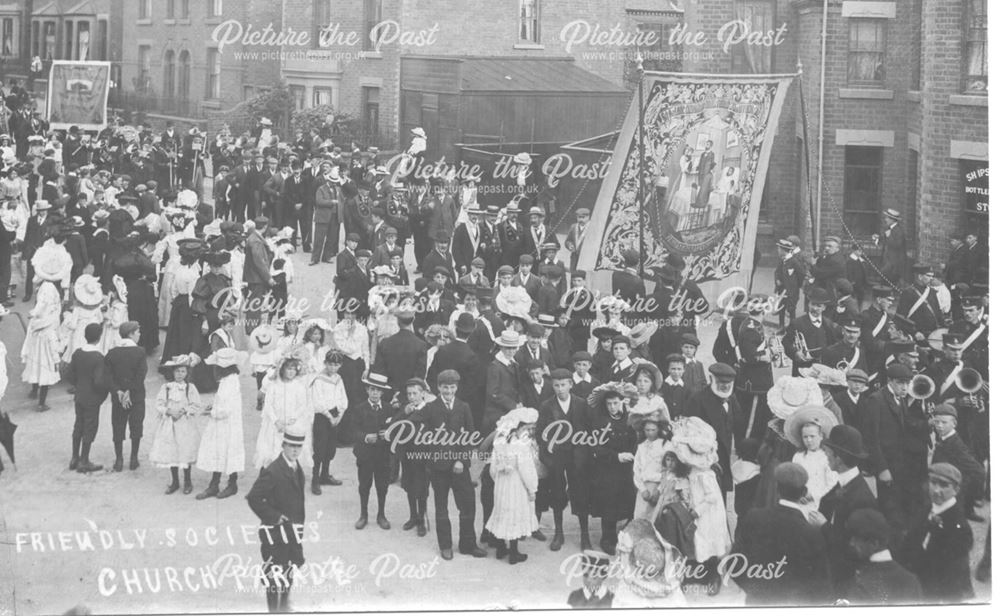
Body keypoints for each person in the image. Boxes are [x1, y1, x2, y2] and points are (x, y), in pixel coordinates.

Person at [730, 462, 833, 605]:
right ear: (804, 492)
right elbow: (821, 587)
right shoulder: (812, 533)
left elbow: (734, 563)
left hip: (758, 603)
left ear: (777, 489)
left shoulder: (754, 517)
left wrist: (756, 591)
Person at [409, 369, 485, 560]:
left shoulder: (464, 407)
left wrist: (462, 459)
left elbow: (471, 436)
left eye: (452, 387)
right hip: (438, 467)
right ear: (438, 388)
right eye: (445, 387)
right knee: (441, 507)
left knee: (467, 505)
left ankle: (468, 544)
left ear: (456, 388)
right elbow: (412, 425)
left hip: (460, 466)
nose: (448, 391)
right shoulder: (431, 407)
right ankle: (445, 546)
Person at [246, 426, 308, 614]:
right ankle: (274, 610)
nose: (295, 450)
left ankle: (284, 605)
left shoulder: (297, 468)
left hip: (292, 531)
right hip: (274, 534)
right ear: (283, 445)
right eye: (291, 446)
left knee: (289, 569)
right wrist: (274, 517)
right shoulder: (273, 470)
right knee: (273, 576)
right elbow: (253, 497)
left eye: (299, 446)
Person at [899, 463, 974, 603]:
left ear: (956, 489)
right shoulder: (928, 507)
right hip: (918, 578)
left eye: (944, 485)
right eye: (933, 483)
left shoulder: (959, 526)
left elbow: (953, 572)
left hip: (937, 590)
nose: (936, 490)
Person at [536, 368, 592, 551]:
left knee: (581, 494)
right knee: (557, 493)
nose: (560, 389)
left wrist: (585, 455)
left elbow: (589, 431)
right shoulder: (546, 406)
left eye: (563, 385)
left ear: (571, 384)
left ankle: (585, 536)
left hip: (578, 457)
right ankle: (558, 533)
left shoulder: (581, 404)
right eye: (556, 385)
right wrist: (547, 458)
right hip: (556, 457)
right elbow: (541, 435)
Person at [819, 424, 878, 595]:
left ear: (839, 457)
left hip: (847, 580)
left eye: (828, 453)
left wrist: (823, 525)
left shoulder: (861, 496)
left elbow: (854, 548)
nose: (826, 456)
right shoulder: (844, 483)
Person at [588, 382, 638, 555]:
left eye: (615, 403)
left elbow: (634, 440)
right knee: (608, 503)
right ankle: (607, 538)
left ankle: (625, 536)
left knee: (627, 501)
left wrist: (631, 454)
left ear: (622, 402)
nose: (612, 407)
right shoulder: (600, 421)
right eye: (609, 404)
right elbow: (596, 447)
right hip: (607, 468)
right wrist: (616, 456)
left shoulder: (629, 419)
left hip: (626, 469)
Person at [487, 406, 540, 565]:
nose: (529, 432)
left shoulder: (500, 441)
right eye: (527, 428)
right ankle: (514, 553)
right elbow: (527, 469)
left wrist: (499, 480)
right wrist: (532, 488)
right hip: (517, 484)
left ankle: (500, 548)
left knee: (502, 512)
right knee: (515, 514)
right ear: (520, 427)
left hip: (502, 484)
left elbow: (492, 468)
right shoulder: (521, 445)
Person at [195, 348, 248, 500]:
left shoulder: (230, 382)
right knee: (219, 450)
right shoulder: (228, 380)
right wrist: (213, 406)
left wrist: (210, 412)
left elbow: (226, 410)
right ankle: (214, 483)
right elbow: (222, 403)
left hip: (227, 422)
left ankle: (232, 484)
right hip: (223, 422)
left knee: (228, 450)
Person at [843, 508, 923, 605]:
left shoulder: (861, 583)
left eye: (856, 539)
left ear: (874, 544)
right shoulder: (911, 581)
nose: (851, 543)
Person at [150, 354, 203, 495]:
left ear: (187, 373)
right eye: (177, 371)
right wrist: (168, 411)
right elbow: (159, 404)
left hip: (185, 424)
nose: (180, 374)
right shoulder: (166, 388)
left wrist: (184, 410)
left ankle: (187, 481)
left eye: (183, 371)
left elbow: (196, 404)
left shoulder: (189, 388)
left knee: (185, 451)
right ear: (172, 372)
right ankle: (174, 481)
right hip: (170, 424)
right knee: (172, 452)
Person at [349, 372, 395, 530]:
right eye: (372, 389)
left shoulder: (389, 409)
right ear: (367, 390)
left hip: (383, 455)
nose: (375, 393)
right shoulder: (359, 409)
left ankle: (381, 514)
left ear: (382, 392)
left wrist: (389, 433)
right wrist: (364, 437)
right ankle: (363, 514)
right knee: (364, 485)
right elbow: (352, 431)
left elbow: (396, 430)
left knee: (382, 486)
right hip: (365, 455)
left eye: (378, 390)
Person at [255, 356, 313, 471]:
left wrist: (293, 418)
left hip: (292, 423)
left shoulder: (299, 386)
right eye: (288, 368)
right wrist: (276, 421)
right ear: (282, 369)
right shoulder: (274, 385)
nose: (291, 371)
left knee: (290, 448)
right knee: (272, 449)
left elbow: (302, 405)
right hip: (276, 423)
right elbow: (268, 405)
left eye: (293, 369)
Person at [929, 403, 985, 520]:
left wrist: (964, 493)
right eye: (937, 422)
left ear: (954, 424)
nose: (939, 426)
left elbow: (978, 471)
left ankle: (968, 510)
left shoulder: (956, 445)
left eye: (944, 423)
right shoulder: (944, 437)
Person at [65, 323, 108, 473]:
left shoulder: (77, 353)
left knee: (78, 425)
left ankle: (74, 458)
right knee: (90, 427)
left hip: (80, 395)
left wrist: (79, 385)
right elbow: (99, 381)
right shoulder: (98, 357)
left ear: (85, 336)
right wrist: (103, 393)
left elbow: (70, 375)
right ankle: (84, 460)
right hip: (92, 398)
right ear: (99, 337)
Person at [393, 378, 434, 537]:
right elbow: (394, 426)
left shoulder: (430, 409)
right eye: (409, 394)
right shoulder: (405, 409)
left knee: (422, 487)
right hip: (407, 454)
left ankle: (422, 519)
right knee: (409, 485)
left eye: (415, 393)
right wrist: (404, 413)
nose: (411, 397)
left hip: (423, 454)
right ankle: (413, 517)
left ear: (422, 393)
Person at [105, 321, 148, 472]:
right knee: (136, 425)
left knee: (118, 426)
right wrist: (130, 391)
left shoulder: (112, 352)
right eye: (137, 332)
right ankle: (133, 458)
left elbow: (108, 376)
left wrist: (118, 391)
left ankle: (119, 459)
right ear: (130, 334)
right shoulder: (140, 352)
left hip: (118, 397)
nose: (139, 335)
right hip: (135, 396)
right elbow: (141, 374)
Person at [309, 350, 348, 494]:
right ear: (325, 363)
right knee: (320, 447)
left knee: (330, 447)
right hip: (322, 416)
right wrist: (329, 416)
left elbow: (343, 398)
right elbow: (317, 400)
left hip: (335, 415)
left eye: (336, 365)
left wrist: (340, 414)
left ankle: (324, 475)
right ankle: (315, 479)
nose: (333, 368)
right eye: (330, 364)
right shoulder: (319, 379)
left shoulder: (338, 379)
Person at [786, 406, 839, 510]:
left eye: (812, 436)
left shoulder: (827, 457)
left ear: (821, 436)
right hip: (799, 502)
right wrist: (798, 494)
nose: (809, 440)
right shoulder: (798, 456)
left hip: (821, 503)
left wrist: (813, 496)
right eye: (805, 437)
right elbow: (794, 480)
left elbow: (832, 485)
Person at [628, 405, 670, 522]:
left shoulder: (666, 445)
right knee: (641, 518)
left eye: (653, 430)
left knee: (659, 519)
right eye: (647, 430)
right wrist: (642, 490)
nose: (650, 433)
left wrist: (660, 489)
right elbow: (637, 470)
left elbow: (669, 470)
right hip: (645, 487)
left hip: (661, 486)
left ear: (658, 430)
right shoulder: (641, 447)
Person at [243, 216, 274, 334]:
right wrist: (268, 278)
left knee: (255, 304)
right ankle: (252, 330)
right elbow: (259, 261)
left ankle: (253, 329)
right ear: (265, 227)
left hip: (253, 277)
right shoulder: (256, 240)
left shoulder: (253, 237)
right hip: (257, 278)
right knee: (255, 306)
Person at [875, 208, 907, 286]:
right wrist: (878, 239)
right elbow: (885, 242)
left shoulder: (899, 231)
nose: (885, 219)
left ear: (892, 220)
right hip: (886, 262)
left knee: (888, 283)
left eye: (887, 218)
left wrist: (889, 236)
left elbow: (897, 245)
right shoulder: (889, 229)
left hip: (893, 265)